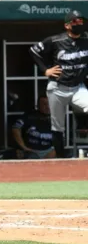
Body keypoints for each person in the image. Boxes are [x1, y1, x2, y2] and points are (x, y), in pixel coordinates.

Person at [29, 10, 88, 158]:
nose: (79, 24)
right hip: (57, 88)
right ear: (67, 25)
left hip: (77, 87)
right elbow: (33, 51)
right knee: (57, 127)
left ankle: (82, 125)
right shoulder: (55, 40)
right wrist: (45, 70)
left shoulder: (86, 39)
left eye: (81, 21)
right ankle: (62, 160)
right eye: (75, 22)